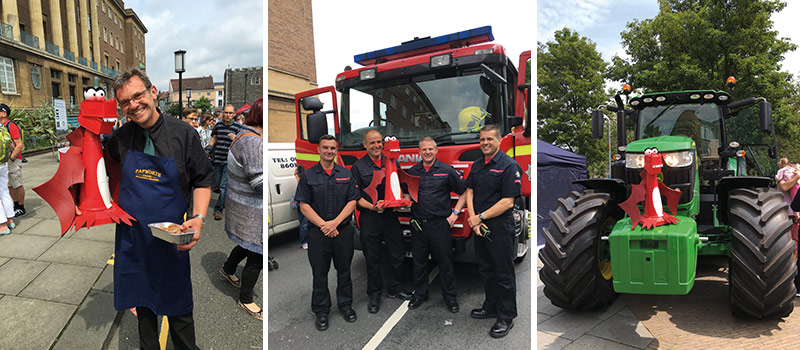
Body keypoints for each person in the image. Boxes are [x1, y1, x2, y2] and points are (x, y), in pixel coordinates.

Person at [105, 68, 213, 349]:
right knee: (144, 311)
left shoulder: (183, 134)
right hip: (134, 240)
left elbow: (202, 180)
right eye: (125, 102)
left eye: (137, 95)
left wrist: (199, 218)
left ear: (153, 93)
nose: (133, 105)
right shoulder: (120, 138)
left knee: (179, 313)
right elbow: (99, 169)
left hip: (170, 240)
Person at [295, 134, 360, 331]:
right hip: (318, 234)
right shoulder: (308, 175)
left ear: (336, 150)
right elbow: (304, 205)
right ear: (319, 150)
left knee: (344, 271)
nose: (329, 151)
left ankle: (346, 306)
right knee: (320, 274)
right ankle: (322, 311)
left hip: (342, 232)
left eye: (333, 148)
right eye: (326, 148)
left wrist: (335, 223)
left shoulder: (346, 174)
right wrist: (325, 225)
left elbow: (352, 201)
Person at [465, 124, 522, 338]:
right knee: (486, 270)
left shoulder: (509, 166)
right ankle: (490, 306)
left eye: (489, 139)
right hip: (480, 227)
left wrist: (479, 217)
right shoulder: (477, 164)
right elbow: (469, 191)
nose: (485, 143)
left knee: (503, 273)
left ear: (499, 140)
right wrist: (474, 221)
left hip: (499, 227)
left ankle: (506, 316)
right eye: (482, 139)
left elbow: (507, 202)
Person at [351, 129, 412, 314]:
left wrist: (403, 201)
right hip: (370, 217)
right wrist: (372, 207)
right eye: (372, 143)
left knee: (398, 252)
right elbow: (355, 197)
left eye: (379, 142)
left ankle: (395, 288)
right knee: (372, 258)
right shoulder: (358, 167)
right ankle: (375, 294)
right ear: (365, 145)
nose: (377, 146)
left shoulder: (391, 161)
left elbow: (401, 188)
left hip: (390, 217)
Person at [406, 137, 466, 312]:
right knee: (419, 263)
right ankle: (420, 295)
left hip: (439, 225)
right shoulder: (412, 171)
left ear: (436, 150)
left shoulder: (447, 171)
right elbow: (407, 194)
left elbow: (464, 192)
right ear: (419, 152)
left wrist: (455, 214)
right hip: (418, 225)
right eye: (424, 149)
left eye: (430, 149)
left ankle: (450, 297)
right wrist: (405, 202)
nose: (427, 152)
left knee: (445, 263)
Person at [220, 97, 264, 321]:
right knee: (257, 255)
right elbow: (258, 183)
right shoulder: (253, 142)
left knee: (246, 245)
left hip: (242, 205)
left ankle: (228, 269)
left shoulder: (244, 135)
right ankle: (246, 299)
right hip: (252, 209)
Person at [209, 104, 242, 220]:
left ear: (234, 114)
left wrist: (236, 139)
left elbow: (242, 144)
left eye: (230, 113)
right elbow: (214, 139)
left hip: (229, 161)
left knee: (223, 186)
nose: (228, 115)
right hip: (217, 159)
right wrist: (208, 149)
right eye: (226, 112)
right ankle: (227, 201)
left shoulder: (238, 127)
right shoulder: (218, 125)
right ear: (223, 113)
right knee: (217, 185)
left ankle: (218, 209)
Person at [777, 157, 800, 295]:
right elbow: (786, 188)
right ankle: (790, 279)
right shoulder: (787, 176)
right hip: (790, 215)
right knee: (794, 248)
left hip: (793, 214)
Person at [0, 104, 26, 217]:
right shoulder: (1, 126)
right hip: (5, 161)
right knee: (9, 185)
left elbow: (19, 145)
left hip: (13, 160)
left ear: (4, 113)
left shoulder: (11, 126)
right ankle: (14, 205)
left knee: (16, 183)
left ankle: (20, 207)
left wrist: (11, 158)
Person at [0, 112, 15, 235]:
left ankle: (2, 225)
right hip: (3, 163)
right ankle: (10, 220)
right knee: (4, 191)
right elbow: (11, 145)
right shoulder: (2, 126)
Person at [292, 166, 310, 249]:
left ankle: (305, 241)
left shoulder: (301, 178)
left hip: (299, 200)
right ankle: (304, 242)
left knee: (303, 222)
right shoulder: (306, 178)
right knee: (304, 223)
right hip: (304, 201)